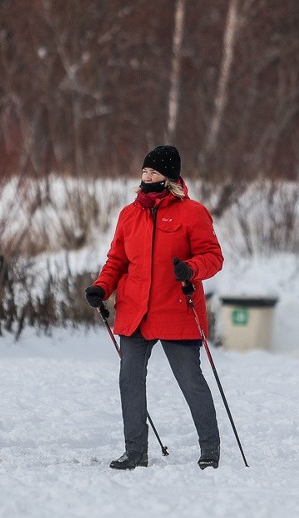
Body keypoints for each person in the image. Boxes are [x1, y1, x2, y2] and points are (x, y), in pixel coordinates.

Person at [84, 145, 223, 470]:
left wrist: (190, 269)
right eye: (145, 172)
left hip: (176, 310)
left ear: (169, 178)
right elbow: (117, 260)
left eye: (154, 173)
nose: (147, 178)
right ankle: (135, 452)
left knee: (190, 381)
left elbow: (213, 257)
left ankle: (210, 450)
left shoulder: (193, 213)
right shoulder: (129, 214)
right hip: (135, 313)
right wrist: (102, 287)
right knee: (129, 381)